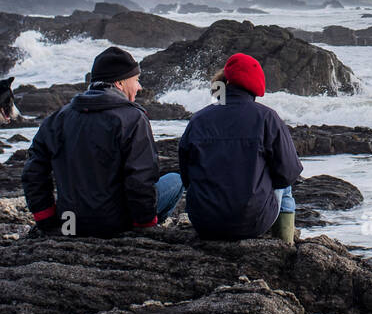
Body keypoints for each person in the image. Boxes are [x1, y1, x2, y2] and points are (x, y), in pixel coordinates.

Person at [23, 46, 183, 237]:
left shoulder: (59, 117)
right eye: (136, 80)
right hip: (115, 224)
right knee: (176, 180)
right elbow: (140, 178)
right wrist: (144, 225)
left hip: (70, 223)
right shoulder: (132, 118)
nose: (139, 87)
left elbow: (33, 172)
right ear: (120, 83)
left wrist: (46, 220)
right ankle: (144, 227)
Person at [177, 52, 303, 244]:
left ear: (226, 81)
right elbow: (289, 173)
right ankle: (285, 245)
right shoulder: (267, 117)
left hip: (204, 222)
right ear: (257, 85)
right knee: (285, 186)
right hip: (252, 222)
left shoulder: (199, 118)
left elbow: (186, 174)